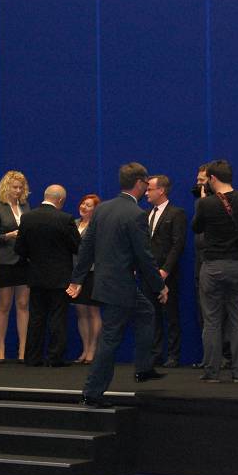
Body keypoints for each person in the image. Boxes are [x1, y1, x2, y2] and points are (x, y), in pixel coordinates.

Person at [68, 162, 168, 408]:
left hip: (105, 283)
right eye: (146, 184)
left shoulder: (102, 209)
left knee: (146, 312)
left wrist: (77, 279)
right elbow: (144, 256)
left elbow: (87, 246)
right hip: (120, 287)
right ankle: (92, 393)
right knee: (110, 338)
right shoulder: (136, 215)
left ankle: (143, 368)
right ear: (139, 183)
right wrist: (160, 286)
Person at [191, 159, 238, 383]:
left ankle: (212, 372)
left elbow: (196, 227)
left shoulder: (206, 204)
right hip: (237, 264)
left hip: (212, 265)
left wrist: (202, 201)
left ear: (212, 178)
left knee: (212, 320)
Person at [14, 185, 80, 367]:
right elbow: (77, 246)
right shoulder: (65, 219)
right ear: (60, 200)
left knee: (36, 317)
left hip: (36, 275)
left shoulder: (27, 218)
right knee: (58, 317)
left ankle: (32, 357)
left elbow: (19, 248)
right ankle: (55, 358)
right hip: (60, 276)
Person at [191, 164, 232, 370]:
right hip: (201, 264)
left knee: (222, 312)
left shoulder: (223, 204)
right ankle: (210, 356)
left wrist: (204, 203)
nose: (198, 184)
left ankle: (225, 355)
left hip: (219, 263)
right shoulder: (201, 204)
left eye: (201, 180)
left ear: (212, 180)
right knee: (204, 313)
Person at [0, 171, 31, 363]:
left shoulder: (26, 207)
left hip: (24, 261)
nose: (18, 190)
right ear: (6, 187)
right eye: (15, 187)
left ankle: (23, 347)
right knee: (4, 305)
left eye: (21, 187)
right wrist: (8, 236)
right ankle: (1, 346)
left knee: (23, 305)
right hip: (5, 261)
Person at [144, 175, 187, 368]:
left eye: (149, 189)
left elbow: (178, 244)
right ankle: (155, 353)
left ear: (161, 190)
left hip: (167, 273)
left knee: (170, 315)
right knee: (152, 314)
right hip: (148, 272)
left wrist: (165, 270)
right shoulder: (146, 214)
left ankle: (173, 354)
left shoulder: (176, 213)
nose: (146, 193)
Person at [71, 194, 101, 365]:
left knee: (93, 311)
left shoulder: (98, 226)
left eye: (88, 205)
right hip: (75, 273)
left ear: (95, 210)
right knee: (81, 312)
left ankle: (93, 348)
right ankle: (85, 348)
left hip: (92, 272)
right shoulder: (73, 224)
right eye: (83, 203)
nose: (83, 207)